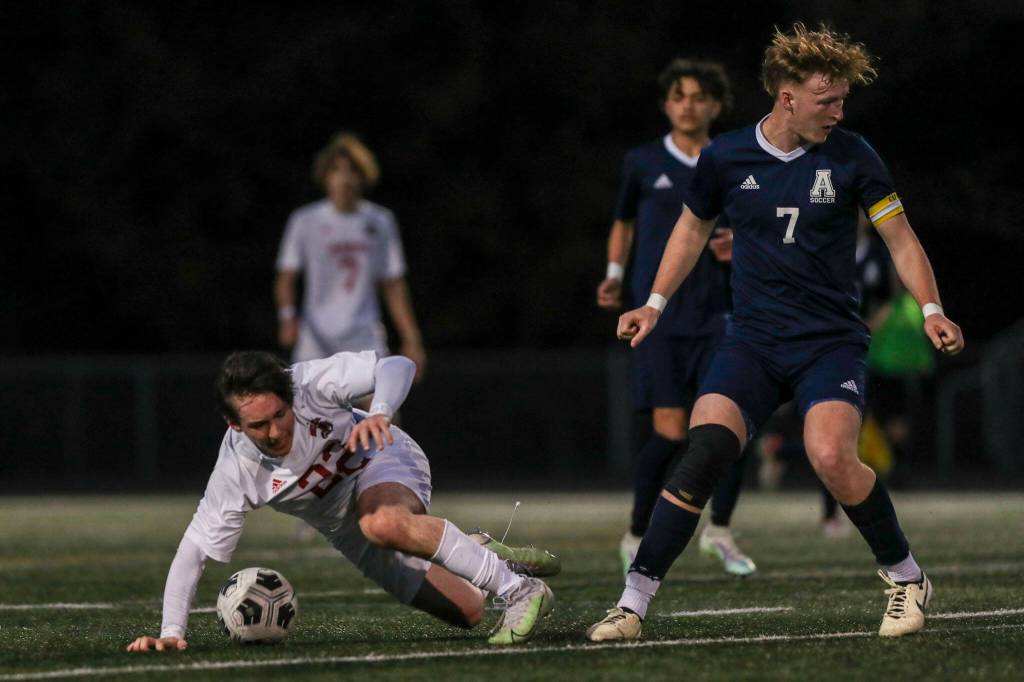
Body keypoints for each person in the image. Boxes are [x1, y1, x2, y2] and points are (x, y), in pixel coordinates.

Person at [587, 23, 964, 642]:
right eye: (828, 101)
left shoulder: (853, 154)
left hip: (827, 342)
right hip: (753, 342)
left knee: (831, 457)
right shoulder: (727, 156)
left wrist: (931, 310)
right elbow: (690, 230)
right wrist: (653, 301)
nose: (838, 112)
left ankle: (905, 576)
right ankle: (631, 603)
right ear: (786, 96)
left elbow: (900, 237)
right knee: (703, 450)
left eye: (842, 100)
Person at [126, 351, 558, 652]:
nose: (276, 432)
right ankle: (476, 552)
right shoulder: (235, 470)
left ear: (290, 397)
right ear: (234, 424)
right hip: (346, 530)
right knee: (470, 611)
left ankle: (519, 588)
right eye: (260, 425)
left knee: (383, 522)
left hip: (383, 459)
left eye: (280, 415)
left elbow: (396, 365)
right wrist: (171, 631)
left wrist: (380, 412)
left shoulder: (312, 382)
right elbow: (194, 551)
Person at [596, 58, 755, 577]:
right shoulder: (642, 161)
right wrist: (615, 273)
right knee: (669, 434)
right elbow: (622, 221)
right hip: (659, 316)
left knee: (730, 428)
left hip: (720, 313)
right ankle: (637, 532)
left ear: (716, 104)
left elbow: (757, 222)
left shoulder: (733, 158)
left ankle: (721, 531)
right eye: (679, 95)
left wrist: (742, 246)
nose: (689, 104)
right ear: (667, 104)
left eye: (699, 96)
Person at [275, 132, 427, 379]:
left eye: (352, 171)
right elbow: (286, 277)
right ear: (326, 176)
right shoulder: (305, 221)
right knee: (310, 413)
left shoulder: (380, 221)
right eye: (337, 170)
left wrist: (411, 338)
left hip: (364, 335)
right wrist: (287, 317)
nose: (345, 179)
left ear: (363, 176)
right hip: (316, 338)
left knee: (382, 408)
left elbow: (393, 284)